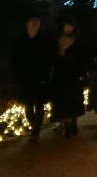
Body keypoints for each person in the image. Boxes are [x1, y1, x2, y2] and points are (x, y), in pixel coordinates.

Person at [11, 12, 52, 141]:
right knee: (28, 106)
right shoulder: (20, 40)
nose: (35, 23)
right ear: (26, 23)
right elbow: (15, 58)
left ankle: (36, 129)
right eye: (32, 20)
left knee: (39, 104)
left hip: (40, 76)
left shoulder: (44, 38)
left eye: (37, 20)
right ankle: (34, 125)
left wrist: (46, 74)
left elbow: (48, 57)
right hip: (25, 77)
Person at [49, 15, 86, 138]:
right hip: (60, 73)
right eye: (66, 26)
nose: (68, 28)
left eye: (70, 25)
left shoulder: (78, 39)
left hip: (73, 73)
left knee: (73, 98)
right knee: (62, 99)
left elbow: (82, 55)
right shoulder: (56, 40)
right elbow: (52, 56)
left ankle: (73, 122)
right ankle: (65, 122)